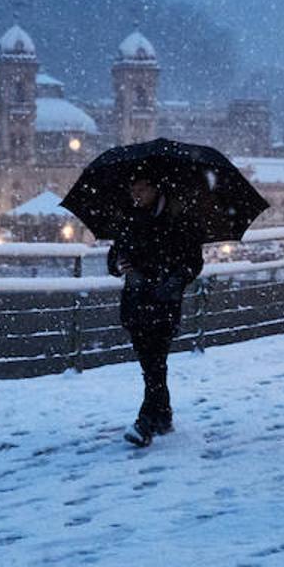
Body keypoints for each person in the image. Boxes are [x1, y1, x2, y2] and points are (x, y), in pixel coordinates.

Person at [107, 175, 204, 447]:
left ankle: (145, 423)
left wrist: (172, 283)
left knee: (155, 362)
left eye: (141, 189)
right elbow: (114, 255)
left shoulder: (179, 220)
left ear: (155, 188)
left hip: (163, 301)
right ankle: (163, 415)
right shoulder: (129, 218)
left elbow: (193, 263)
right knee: (150, 364)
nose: (136, 195)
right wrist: (118, 264)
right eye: (133, 189)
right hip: (135, 301)